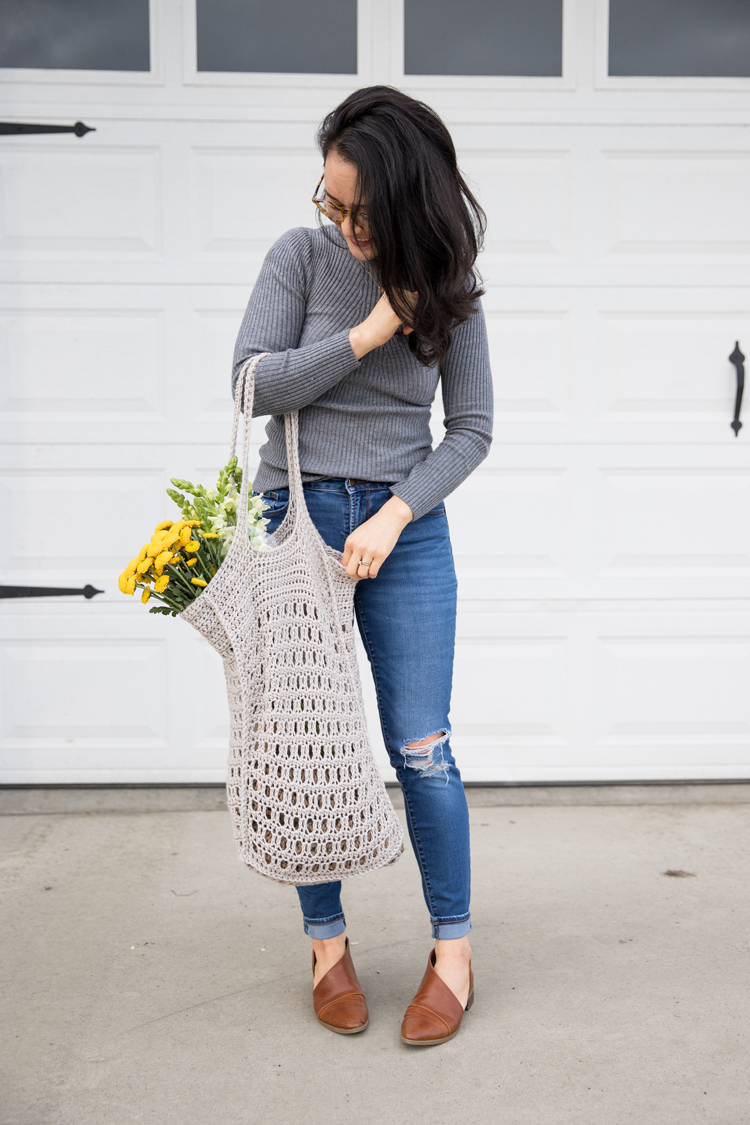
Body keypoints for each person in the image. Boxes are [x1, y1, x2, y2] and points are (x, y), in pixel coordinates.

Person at [232, 85, 493, 1046]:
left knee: (423, 750)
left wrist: (394, 511)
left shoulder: (452, 285)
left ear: (410, 200)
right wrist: (372, 331)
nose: (341, 223)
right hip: (292, 512)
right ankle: (327, 944)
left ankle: (453, 952)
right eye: (329, 201)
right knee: (311, 737)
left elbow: (471, 431)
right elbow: (253, 381)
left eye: (361, 210)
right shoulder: (299, 258)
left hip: (403, 528)